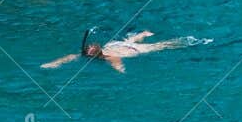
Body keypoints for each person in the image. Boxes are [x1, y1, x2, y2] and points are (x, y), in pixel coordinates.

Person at [42, 29, 192, 73]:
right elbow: (69, 57)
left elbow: (116, 60)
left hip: (132, 49)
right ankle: (142, 34)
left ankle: (142, 35)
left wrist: (120, 70)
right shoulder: (98, 54)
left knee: (165, 45)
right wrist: (54, 63)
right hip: (119, 45)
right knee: (129, 40)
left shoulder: (107, 56)